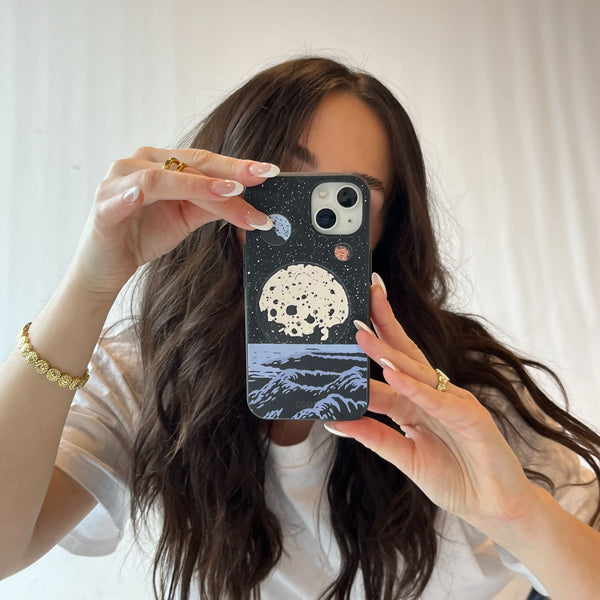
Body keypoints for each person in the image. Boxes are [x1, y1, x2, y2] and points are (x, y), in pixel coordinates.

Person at [1, 56, 599, 600]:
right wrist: (93, 278)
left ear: (384, 231)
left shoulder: (454, 389)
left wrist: (516, 516)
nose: (310, 219)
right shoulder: (149, 371)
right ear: (222, 183)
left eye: (348, 199)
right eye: (285, 179)